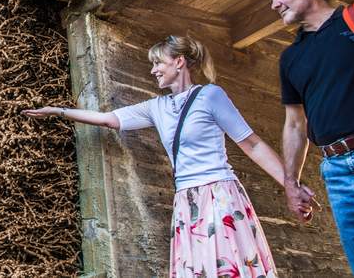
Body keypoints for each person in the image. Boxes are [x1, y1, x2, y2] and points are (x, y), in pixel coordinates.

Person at [23, 35, 284, 278]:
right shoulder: (156, 107)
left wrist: (290, 185)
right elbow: (108, 120)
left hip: (218, 194)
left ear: (179, 62)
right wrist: (57, 111)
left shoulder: (210, 96)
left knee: (229, 267)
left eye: (158, 62)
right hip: (186, 199)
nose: (153, 70)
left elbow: (253, 145)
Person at [267, 0, 354, 278]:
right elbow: (295, 124)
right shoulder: (290, 58)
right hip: (338, 174)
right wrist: (290, 183)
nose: (274, 4)